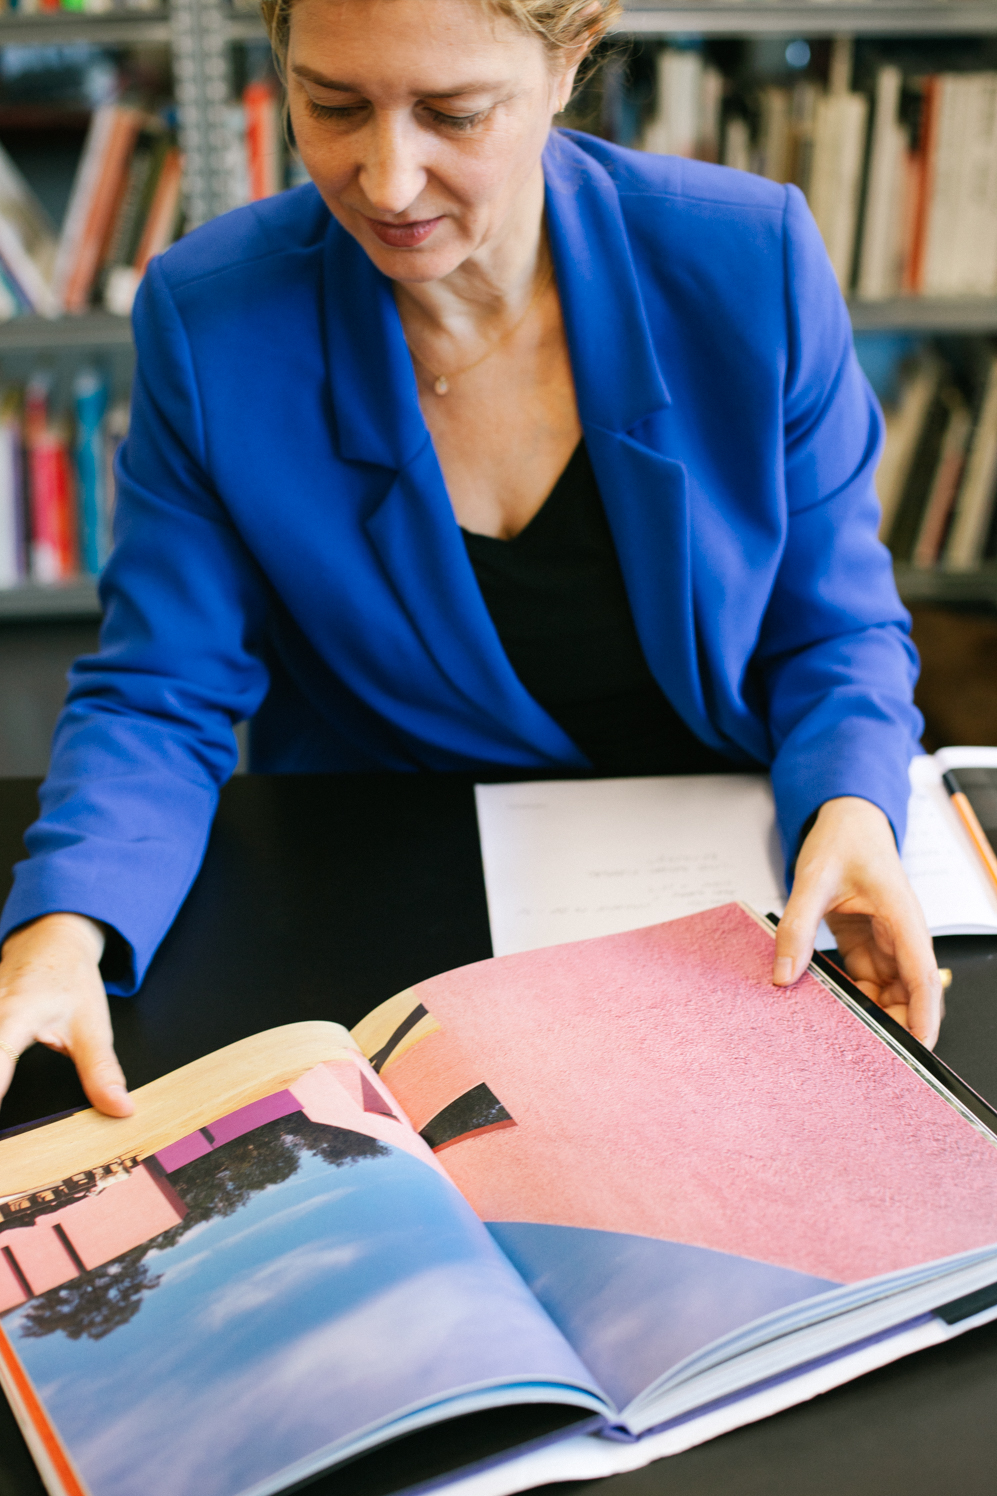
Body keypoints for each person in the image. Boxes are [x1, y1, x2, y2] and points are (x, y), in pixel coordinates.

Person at [0, 0, 941, 1117]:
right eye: (332, 106)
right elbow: (162, 689)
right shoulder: (213, 319)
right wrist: (65, 927)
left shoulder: (747, 258)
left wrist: (852, 803)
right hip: (388, 902)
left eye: (453, 114)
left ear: (568, 59)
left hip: (733, 893)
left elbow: (836, 625)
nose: (388, 182)